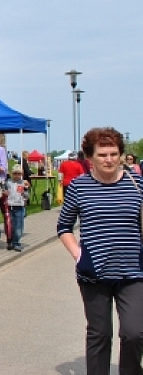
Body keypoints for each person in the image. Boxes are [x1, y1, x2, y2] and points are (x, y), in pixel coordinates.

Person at [57, 127, 143, 375]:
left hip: (134, 271)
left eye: (114, 153)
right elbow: (63, 226)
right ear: (90, 157)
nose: (109, 159)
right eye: (103, 154)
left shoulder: (137, 183)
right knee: (100, 334)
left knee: (135, 332)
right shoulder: (79, 187)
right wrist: (78, 254)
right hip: (94, 273)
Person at [5, 165, 29, 252]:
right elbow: (4, 191)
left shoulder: (23, 183)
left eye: (19, 174)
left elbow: (26, 196)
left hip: (19, 207)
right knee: (10, 226)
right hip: (10, 206)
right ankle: (10, 241)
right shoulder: (8, 182)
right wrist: (5, 193)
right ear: (12, 174)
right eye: (15, 173)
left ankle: (16, 242)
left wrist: (25, 190)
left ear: (21, 174)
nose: (17, 176)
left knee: (19, 227)